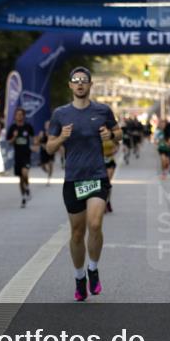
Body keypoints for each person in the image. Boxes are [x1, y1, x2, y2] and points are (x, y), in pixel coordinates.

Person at [46, 67, 121, 301]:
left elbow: (118, 133)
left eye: (84, 81)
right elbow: (49, 147)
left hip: (97, 176)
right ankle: (79, 277)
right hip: (73, 179)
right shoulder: (60, 114)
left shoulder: (102, 110)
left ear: (90, 85)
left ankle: (93, 268)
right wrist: (61, 138)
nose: (80, 84)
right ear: (70, 85)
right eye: (75, 81)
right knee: (77, 233)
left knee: (95, 223)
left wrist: (111, 135)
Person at [6, 108, 36, 207]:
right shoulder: (12, 128)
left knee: (25, 173)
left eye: (21, 114)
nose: (19, 116)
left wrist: (35, 145)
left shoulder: (28, 127)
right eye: (17, 114)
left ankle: (27, 187)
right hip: (17, 155)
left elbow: (33, 138)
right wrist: (14, 137)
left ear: (23, 116)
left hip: (26, 154)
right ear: (15, 116)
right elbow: (9, 142)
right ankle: (23, 197)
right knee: (20, 179)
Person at [37, 120, 55, 185]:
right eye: (47, 125)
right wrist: (41, 142)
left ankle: (49, 179)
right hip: (43, 151)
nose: (48, 126)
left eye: (49, 125)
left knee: (51, 165)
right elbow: (37, 142)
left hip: (50, 151)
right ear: (45, 126)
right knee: (43, 166)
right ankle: (48, 172)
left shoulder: (53, 133)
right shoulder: (42, 133)